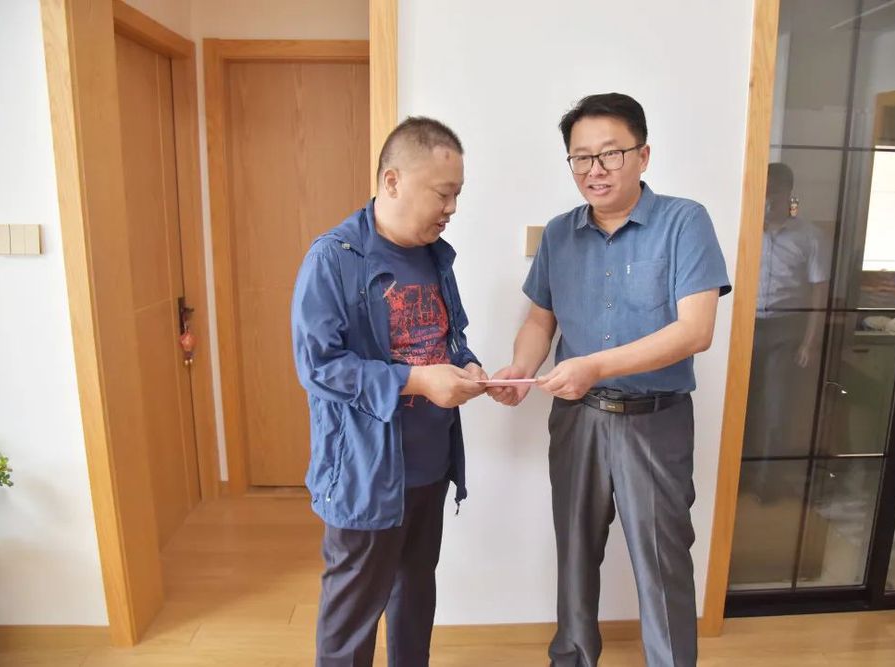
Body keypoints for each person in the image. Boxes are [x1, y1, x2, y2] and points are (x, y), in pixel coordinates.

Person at [489, 93, 731, 667]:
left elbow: (695, 331)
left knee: (663, 559)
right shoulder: (559, 234)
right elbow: (541, 320)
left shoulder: (684, 221)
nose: (594, 169)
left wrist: (595, 365)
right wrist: (521, 370)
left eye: (610, 153)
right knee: (575, 551)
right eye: (581, 157)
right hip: (577, 419)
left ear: (643, 155)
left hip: (656, 419)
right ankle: (573, 658)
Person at [291, 117, 486, 667]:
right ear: (392, 181)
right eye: (443, 194)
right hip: (364, 475)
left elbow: (446, 338)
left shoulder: (435, 255)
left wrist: (467, 366)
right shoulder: (333, 258)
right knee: (352, 619)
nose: (452, 208)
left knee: (415, 598)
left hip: (429, 466)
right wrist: (418, 380)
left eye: (457, 194)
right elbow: (319, 366)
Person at [741, 162, 830, 501]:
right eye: (763, 191)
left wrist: (810, 342)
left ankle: (768, 483)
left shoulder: (810, 237)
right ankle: (741, 478)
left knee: (777, 409)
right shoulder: (747, 230)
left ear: (788, 193)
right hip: (748, 328)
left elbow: (819, 292)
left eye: (774, 192)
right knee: (744, 405)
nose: (768, 199)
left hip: (786, 328)